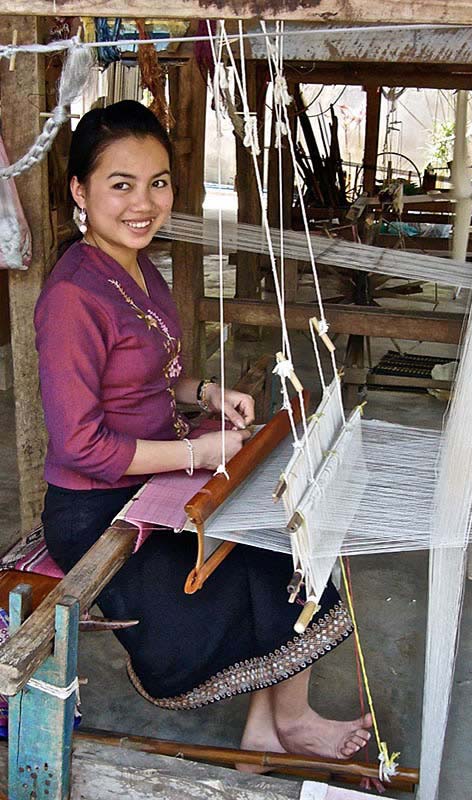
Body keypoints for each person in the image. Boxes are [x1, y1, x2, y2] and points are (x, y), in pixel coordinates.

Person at [35, 100, 371, 764]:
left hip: (155, 478)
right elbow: (81, 446)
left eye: (158, 182)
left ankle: (271, 728)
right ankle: (290, 724)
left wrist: (210, 394)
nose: (144, 202)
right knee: (255, 566)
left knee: (287, 529)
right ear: (79, 190)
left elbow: (162, 378)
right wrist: (199, 449)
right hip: (97, 507)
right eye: (120, 184)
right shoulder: (73, 296)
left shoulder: (136, 268)